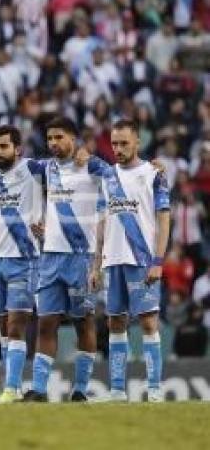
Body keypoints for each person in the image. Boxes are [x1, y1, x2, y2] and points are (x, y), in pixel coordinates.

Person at [90, 119, 171, 402]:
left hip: (141, 260)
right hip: (112, 261)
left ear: (138, 142)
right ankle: (116, 391)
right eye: (114, 143)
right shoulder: (107, 177)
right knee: (115, 323)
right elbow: (101, 223)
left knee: (149, 323)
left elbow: (164, 220)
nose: (119, 148)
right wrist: (95, 264)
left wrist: (158, 260)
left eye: (124, 143)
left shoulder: (154, 174)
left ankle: (155, 390)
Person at [24, 117, 102, 403]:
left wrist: (154, 166)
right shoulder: (47, 168)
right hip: (51, 256)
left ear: (74, 138)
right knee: (46, 323)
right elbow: (5, 166)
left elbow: (124, 173)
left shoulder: (92, 166)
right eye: (50, 138)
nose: (53, 143)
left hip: (81, 257)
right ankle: (40, 390)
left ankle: (80, 389)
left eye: (59, 137)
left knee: (83, 322)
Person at [0, 125, 45, 403]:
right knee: (3, 326)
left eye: (3, 147)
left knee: (15, 324)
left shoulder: (33, 169)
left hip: (24, 259)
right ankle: (13, 385)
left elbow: (67, 170)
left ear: (17, 149)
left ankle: (11, 387)